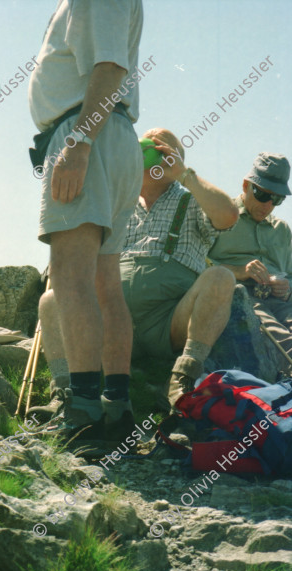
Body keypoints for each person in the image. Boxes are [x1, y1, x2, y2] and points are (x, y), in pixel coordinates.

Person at [28, 0, 144, 449]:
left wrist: (78, 140)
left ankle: (83, 416)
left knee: (70, 277)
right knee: (103, 284)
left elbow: (112, 66)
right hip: (110, 138)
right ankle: (116, 410)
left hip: (87, 134)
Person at [120, 128, 239, 412]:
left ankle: (184, 376)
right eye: (145, 147)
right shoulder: (119, 206)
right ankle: (67, 395)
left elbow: (229, 215)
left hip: (170, 322)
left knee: (221, 276)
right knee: (53, 298)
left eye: (161, 151)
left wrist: (184, 175)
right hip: (117, 323)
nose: (148, 155)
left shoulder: (191, 201)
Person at [209, 152, 292, 371]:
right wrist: (240, 271)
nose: (268, 205)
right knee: (286, 343)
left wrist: (287, 287)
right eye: (263, 195)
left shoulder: (282, 230)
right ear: (246, 185)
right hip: (242, 296)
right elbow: (197, 263)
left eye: (277, 199)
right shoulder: (222, 217)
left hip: (282, 302)